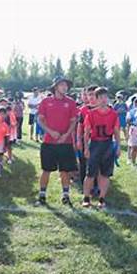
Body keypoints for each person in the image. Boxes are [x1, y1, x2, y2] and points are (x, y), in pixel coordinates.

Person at [36, 76, 78, 206]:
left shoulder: (71, 102)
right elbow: (40, 119)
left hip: (65, 142)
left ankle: (65, 195)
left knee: (65, 170)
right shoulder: (46, 101)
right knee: (46, 170)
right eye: (62, 85)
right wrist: (50, 131)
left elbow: (74, 121)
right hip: (49, 142)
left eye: (66, 85)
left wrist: (66, 135)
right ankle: (42, 195)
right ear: (55, 87)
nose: (65, 87)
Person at [81, 87, 121, 209]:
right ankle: (86, 197)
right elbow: (86, 132)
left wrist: (118, 147)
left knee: (105, 174)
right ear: (96, 99)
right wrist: (86, 148)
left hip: (108, 144)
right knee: (90, 174)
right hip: (95, 144)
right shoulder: (91, 114)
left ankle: (102, 198)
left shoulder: (113, 114)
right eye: (101, 97)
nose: (104, 100)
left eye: (105, 97)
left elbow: (116, 132)